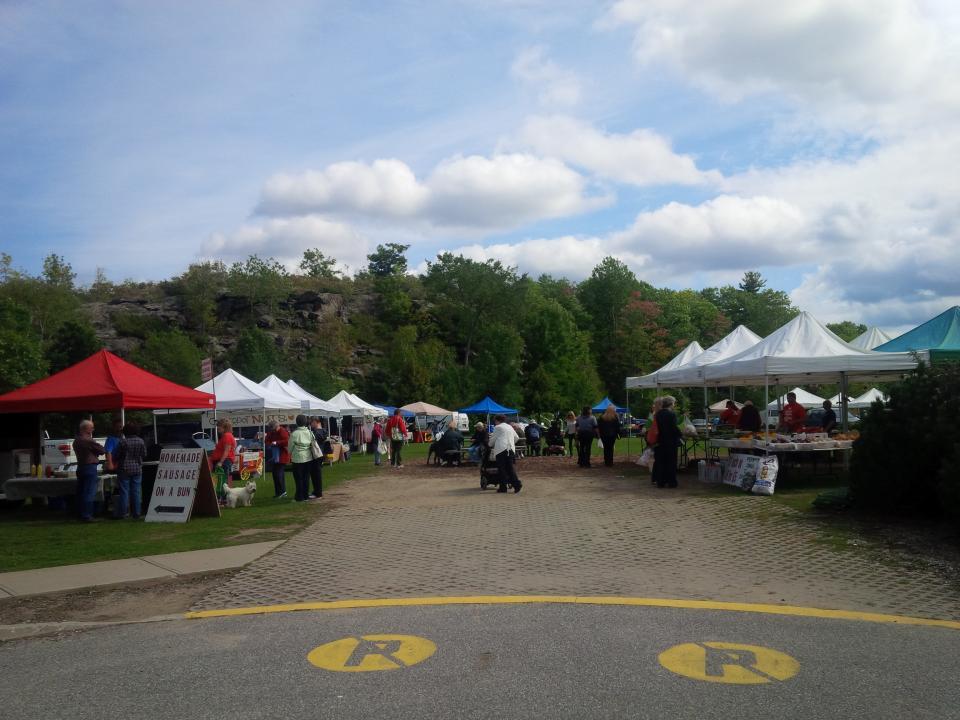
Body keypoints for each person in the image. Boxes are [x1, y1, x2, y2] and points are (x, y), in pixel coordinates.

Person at [73, 419, 105, 521]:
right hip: (90, 467)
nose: (93, 429)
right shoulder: (88, 440)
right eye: (92, 427)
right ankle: (87, 515)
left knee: (81, 492)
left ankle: (79, 512)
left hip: (81, 466)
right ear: (86, 429)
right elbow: (102, 450)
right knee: (89, 492)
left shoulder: (76, 440)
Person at [113, 422, 146, 519]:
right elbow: (144, 454)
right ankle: (137, 513)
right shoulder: (140, 441)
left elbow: (116, 455)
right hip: (137, 468)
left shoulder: (123, 442)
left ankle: (123, 513)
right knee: (136, 491)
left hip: (124, 468)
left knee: (124, 491)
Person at [652, 395, 681, 488]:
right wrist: (681, 434)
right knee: (671, 462)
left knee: (661, 462)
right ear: (671, 404)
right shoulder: (671, 414)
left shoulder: (657, 414)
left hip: (659, 441)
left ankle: (661, 482)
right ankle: (671, 482)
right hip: (670, 442)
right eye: (674, 403)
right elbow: (674, 428)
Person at [488, 414, 521, 493]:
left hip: (501, 449)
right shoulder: (509, 426)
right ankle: (516, 484)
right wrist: (511, 443)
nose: (495, 422)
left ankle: (503, 487)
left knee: (502, 469)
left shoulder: (498, 427)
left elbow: (493, 439)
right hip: (510, 449)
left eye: (495, 421)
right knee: (510, 468)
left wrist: (489, 444)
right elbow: (517, 437)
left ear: (497, 420)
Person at [287, 415, 315, 502]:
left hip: (297, 458)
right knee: (306, 478)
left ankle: (299, 497)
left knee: (298, 479)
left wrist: (290, 453)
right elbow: (313, 442)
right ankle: (305, 496)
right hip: (308, 457)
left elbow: (290, 448)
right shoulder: (310, 432)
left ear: (296, 423)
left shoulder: (294, 434)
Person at [210, 419, 237, 495]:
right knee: (226, 478)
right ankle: (227, 496)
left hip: (224, 461)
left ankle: (224, 497)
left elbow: (226, 450)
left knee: (223, 480)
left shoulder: (227, 436)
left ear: (224, 427)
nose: (218, 428)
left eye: (219, 427)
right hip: (225, 461)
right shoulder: (227, 436)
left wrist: (220, 462)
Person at [264, 420, 290, 498]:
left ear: (277, 426)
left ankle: (283, 491)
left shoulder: (283, 431)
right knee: (275, 474)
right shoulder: (271, 432)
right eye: (272, 430)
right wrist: (271, 444)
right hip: (275, 456)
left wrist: (276, 443)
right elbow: (266, 441)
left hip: (282, 456)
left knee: (279, 474)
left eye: (274, 429)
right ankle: (278, 492)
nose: (274, 431)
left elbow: (287, 441)